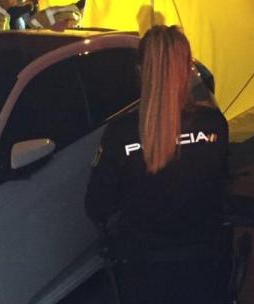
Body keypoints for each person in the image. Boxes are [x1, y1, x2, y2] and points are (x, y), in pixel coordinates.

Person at [86, 26, 231, 303]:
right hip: (205, 268)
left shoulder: (120, 134)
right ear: (188, 68)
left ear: (141, 71)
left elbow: (96, 206)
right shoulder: (214, 124)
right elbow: (222, 182)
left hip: (146, 274)